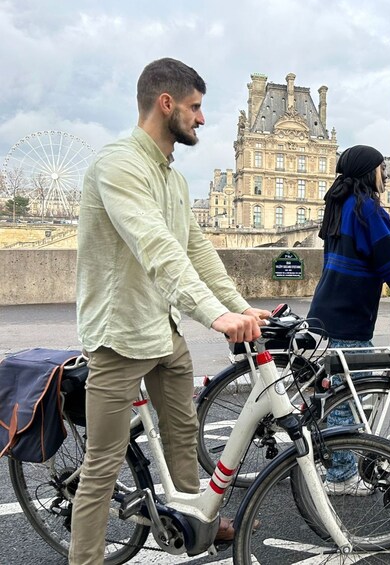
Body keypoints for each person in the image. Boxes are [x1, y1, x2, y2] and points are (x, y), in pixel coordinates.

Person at [70, 58, 271, 564]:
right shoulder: (118, 166)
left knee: (184, 430)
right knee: (103, 464)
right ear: (167, 104)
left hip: (163, 330)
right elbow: (156, 247)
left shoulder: (174, 181)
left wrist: (239, 306)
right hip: (118, 338)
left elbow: (197, 251)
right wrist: (214, 315)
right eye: (196, 107)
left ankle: (193, 517)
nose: (202, 119)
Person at [307, 144, 390, 494]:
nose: (385, 176)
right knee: (347, 398)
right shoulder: (368, 210)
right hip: (350, 315)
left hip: (326, 308)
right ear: (370, 171)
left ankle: (329, 460)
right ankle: (340, 477)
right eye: (382, 169)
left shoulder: (339, 205)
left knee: (335, 392)